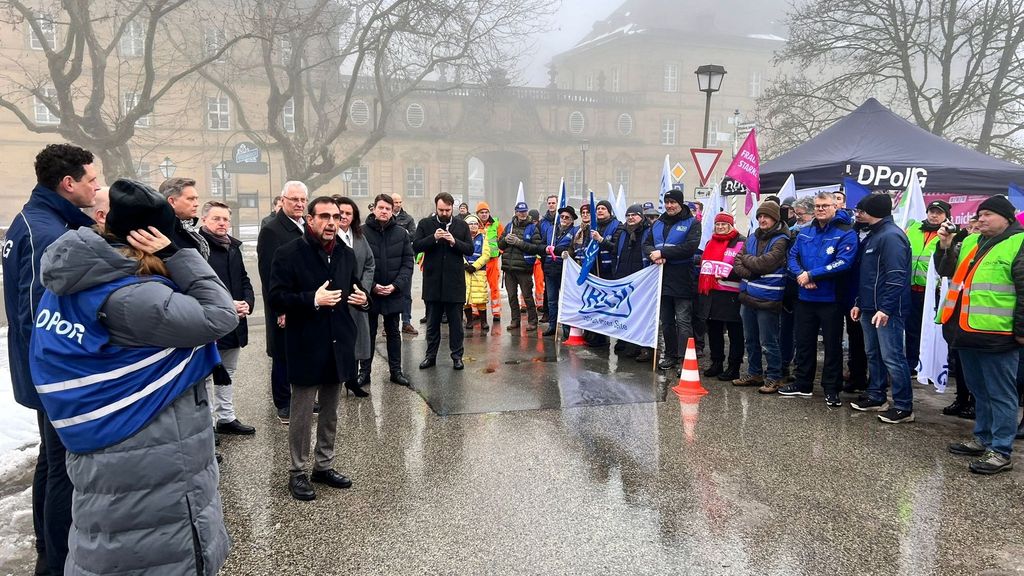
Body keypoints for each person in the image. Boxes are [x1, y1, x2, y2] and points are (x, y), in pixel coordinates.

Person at [30, 179, 236, 574]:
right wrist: (179, 255)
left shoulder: (81, 274)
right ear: (151, 237)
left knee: (108, 539)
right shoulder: (136, 296)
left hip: (112, 455)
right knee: (146, 551)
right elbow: (219, 315)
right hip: (149, 455)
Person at [3, 143, 99, 576]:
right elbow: (39, 317)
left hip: (39, 371)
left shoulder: (36, 219)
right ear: (68, 183)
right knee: (62, 467)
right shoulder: (48, 234)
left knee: (50, 459)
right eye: (91, 181)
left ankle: (47, 547)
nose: (96, 189)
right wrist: (61, 380)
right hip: (51, 375)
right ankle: (58, 562)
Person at [270, 196, 370, 500]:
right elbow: (276, 297)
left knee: (330, 411)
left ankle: (323, 465)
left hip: (339, 342)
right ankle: (297, 472)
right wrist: (312, 299)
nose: (331, 222)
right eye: (324, 216)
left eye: (336, 217)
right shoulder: (288, 254)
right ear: (309, 220)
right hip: (306, 343)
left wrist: (365, 299)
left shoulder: (346, 253)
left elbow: (355, 286)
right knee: (301, 414)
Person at [936, 195, 1023, 474]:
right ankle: (983, 438)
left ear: (1007, 218)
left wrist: (1021, 332)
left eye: (988, 214)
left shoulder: (1019, 243)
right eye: (979, 214)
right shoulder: (972, 241)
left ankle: (1000, 450)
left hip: (999, 336)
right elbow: (945, 270)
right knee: (979, 391)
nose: (981, 219)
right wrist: (945, 246)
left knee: (1001, 394)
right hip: (966, 330)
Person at [779, 191, 858, 404]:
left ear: (835, 207)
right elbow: (792, 256)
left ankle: (831, 389)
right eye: (818, 206)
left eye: (825, 205)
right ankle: (803, 384)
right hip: (805, 296)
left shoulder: (846, 232)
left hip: (831, 299)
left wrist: (812, 274)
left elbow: (844, 262)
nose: (821, 209)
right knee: (804, 343)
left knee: (832, 346)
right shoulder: (806, 231)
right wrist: (801, 275)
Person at [848, 193, 914, 422]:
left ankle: (904, 405)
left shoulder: (891, 237)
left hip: (887, 310)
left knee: (893, 357)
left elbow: (896, 276)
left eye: (861, 210)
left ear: (871, 212)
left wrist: (886, 308)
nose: (857, 214)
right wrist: (859, 303)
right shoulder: (874, 235)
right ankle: (877, 395)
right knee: (873, 354)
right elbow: (866, 276)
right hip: (869, 307)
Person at [199, 201, 257, 435]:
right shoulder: (198, 249)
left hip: (235, 320)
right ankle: (207, 425)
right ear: (204, 220)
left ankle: (226, 417)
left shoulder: (233, 247)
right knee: (206, 375)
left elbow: (244, 279)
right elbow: (199, 286)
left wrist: (248, 303)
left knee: (228, 371)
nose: (222, 223)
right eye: (216, 219)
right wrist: (226, 305)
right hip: (210, 320)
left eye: (225, 219)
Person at [257, 181, 308, 423]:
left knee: (303, 351)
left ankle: (304, 399)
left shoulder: (306, 225)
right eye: (294, 199)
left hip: (305, 301)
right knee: (282, 355)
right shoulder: (272, 230)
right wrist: (279, 309)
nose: (299, 204)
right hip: (284, 303)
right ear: (283, 200)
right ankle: (283, 403)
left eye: (302, 200)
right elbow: (268, 274)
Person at [733, 201, 791, 392]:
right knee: (750, 339)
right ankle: (755, 373)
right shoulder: (751, 237)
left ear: (775, 218)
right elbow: (737, 262)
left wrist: (750, 264)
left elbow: (765, 264)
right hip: (748, 296)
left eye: (766, 216)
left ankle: (774, 376)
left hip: (768, 298)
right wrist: (751, 269)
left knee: (768, 341)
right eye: (760, 216)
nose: (762, 219)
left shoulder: (782, 239)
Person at [413, 193, 474, 369]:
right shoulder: (426, 224)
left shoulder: (461, 225)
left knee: (456, 325)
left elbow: (469, 249)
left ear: (452, 208)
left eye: (447, 210)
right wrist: (434, 238)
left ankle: (457, 356)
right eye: (441, 210)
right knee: (432, 324)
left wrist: (454, 241)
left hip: (454, 283)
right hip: (432, 283)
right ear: (436, 208)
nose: (444, 213)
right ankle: (430, 356)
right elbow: (416, 246)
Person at [643, 189, 701, 370]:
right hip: (661, 277)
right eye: (667, 202)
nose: (669, 205)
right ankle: (670, 355)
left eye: (673, 202)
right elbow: (646, 244)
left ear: (680, 203)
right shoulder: (658, 223)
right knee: (666, 321)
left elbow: (690, 247)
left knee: (683, 321)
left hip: (683, 277)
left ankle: (685, 358)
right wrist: (653, 255)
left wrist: (663, 252)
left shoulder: (692, 223)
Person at [361, 194, 414, 388]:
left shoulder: (401, 233)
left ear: (393, 211)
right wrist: (373, 285)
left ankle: (396, 371)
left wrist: (395, 285)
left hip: (394, 291)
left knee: (393, 333)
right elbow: (358, 264)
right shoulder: (362, 232)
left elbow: (408, 263)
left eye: (388, 209)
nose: (384, 211)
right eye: (381, 207)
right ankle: (364, 373)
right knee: (368, 333)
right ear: (374, 209)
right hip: (370, 292)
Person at [335, 196, 377, 397]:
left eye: (348, 213)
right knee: (338, 341)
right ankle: (336, 379)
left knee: (357, 339)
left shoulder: (359, 236)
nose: (344, 216)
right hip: (335, 298)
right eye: (340, 213)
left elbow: (370, 263)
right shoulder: (329, 235)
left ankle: (352, 380)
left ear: (354, 217)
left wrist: (365, 290)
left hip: (357, 297)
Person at [696, 212, 745, 381]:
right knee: (714, 331)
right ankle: (716, 362)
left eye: (724, 224)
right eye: (718, 224)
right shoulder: (710, 242)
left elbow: (744, 267)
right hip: (712, 294)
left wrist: (726, 274)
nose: (720, 227)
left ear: (731, 225)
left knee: (735, 333)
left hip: (732, 295)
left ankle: (734, 366)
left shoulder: (741, 242)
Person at [905, 200, 951, 376]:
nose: (934, 215)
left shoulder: (949, 235)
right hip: (911, 288)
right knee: (912, 329)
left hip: (934, 292)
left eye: (939, 212)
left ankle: (932, 366)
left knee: (933, 331)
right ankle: (912, 362)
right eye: (932, 211)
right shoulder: (914, 229)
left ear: (946, 216)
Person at [614, 203, 653, 361]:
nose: (631, 218)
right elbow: (614, 250)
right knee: (625, 312)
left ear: (641, 216)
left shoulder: (648, 231)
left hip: (641, 278)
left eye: (634, 215)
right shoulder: (623, 232)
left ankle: (643, 348)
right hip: (623, 277)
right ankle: (627, 343)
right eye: (628, 215)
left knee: (641, 314)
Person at [498, 201, 544, 332]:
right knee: (512, 296)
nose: (522, 214)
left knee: (527, 296)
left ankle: (533, 321)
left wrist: (520, 243)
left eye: (524, 211)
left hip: (524, 268)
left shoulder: (532, 228)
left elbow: (536, 247)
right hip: (509, 268)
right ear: (516, 212)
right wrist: (504, 240)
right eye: (520, 211)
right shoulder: (509, 226)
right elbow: (500, 245)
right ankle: (515, 320)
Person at [543, 206, 578, 338]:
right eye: (562, 216)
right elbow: (541, 245)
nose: (563, 219)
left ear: (572, 220)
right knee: (552, 300)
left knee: (565, 300)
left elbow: (573, 249)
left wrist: (561, 251)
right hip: (550, 269)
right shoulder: (551, 230)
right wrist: (546, 248)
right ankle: (552, 326)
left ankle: (566, 328)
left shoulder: (574, 231)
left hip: (565, 270)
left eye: (567, 217)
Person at [159, 177, 210, 259]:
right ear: (172, 201)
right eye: (190, 199)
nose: (196, 204)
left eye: (196, 199)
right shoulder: (162, 233)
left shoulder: (187, 230)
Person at [392, 193, 418, 335]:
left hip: (404, 258)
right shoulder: (386, 217)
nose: (398, 204)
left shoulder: (407, 218)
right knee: (390, 292)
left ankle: (406, 322)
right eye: (395, 202)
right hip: (390, 259)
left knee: (406, 293)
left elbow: (414, 235)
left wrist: (401, 232)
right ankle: (389, 324)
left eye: (400, 201)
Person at [463, 215, 493, 331]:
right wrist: (465, 264)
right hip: (465, 272)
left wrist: (475, 266)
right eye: (471, 224)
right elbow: (458, 252)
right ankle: (469, 321)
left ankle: (483, 322)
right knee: (465, 298)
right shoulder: (462, 238)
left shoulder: (483, 238)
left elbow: (486, 255)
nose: (474, 226)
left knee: (480, 297)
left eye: (475, 224)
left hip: (478, 272)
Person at [476, 201, 502, 323]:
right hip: (479, 261)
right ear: (477, 213)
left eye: (486, 212)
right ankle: (475, 311)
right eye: (482, 212)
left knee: (494, 287)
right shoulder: (474, 224)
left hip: (492, 260)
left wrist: (500, 251)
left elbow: (503, 238)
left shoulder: (496, 223)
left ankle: (496, 312)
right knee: (478, 287)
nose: (484, 214)